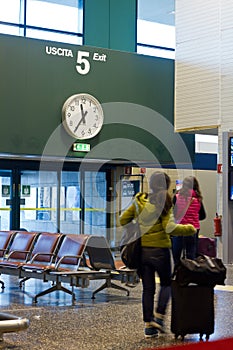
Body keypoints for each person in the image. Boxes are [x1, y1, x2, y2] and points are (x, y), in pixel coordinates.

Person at [119, 171, 196, 339]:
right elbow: (169, 228)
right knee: (166, 284)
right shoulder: (164, 201)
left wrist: (137, 226)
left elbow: (123, 220)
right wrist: (190, 228)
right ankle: (159, 317)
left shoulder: (139, 202)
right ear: (166, 185)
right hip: (160, 251)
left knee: (148, 289)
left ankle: (148, 326)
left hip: (142, 252)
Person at [172, 176, 206, 265]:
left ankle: (176, 273)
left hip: (179, 228)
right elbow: (203, 216)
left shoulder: (177, 197)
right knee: (191, 253)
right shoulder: (198, 199)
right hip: (193, 229)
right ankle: (191, 273)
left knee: (176, 254)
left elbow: (174, 215)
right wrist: (193, 217)